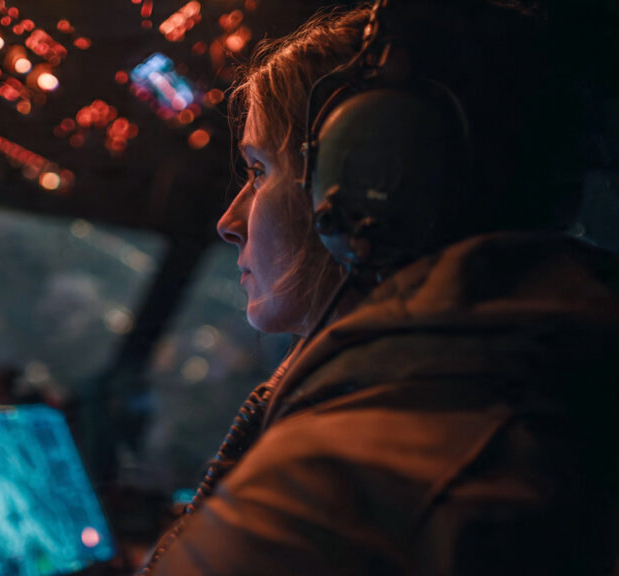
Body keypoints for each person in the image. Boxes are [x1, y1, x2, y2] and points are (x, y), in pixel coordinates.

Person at [141, 2, 619, 574]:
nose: (229, 220)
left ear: (372, 184)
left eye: (259, 170)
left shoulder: (338, 491)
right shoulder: (534, 396)